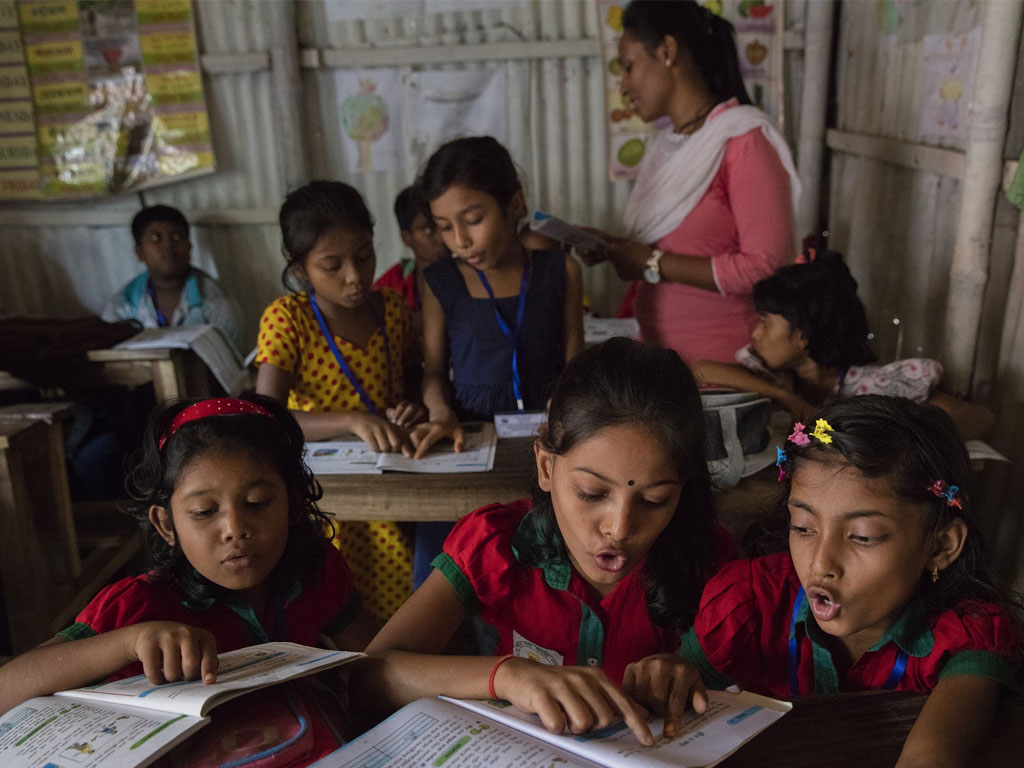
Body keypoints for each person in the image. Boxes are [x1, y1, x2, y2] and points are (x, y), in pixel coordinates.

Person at [353, 338, 737, 745]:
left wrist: (688, 668)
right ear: (546, 466)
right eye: (591, 493)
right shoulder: (499, 544)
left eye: (655, 500)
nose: (620, 528)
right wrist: (507, 675)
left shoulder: (707, 560)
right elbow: (368, 677)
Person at [0, 394, 377, 763]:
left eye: (258, 503)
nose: (234, 529)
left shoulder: (316, 571)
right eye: (203, 511)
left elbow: (376, 661)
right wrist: (129, 642)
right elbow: (7, 688)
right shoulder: (140, 605)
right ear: (166, 525)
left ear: (293, 504)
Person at [663, 396, 1021, 767]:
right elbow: (672, 695)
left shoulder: (967, 640)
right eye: (803, 527)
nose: (820, 563)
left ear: (941, 545)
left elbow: (930, 758)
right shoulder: (753, 604)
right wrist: (664, 676)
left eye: (863, 536)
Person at [403, 136, 585, 588]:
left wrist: (564, 414)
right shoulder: (439, 280)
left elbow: (576, 366)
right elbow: (432, 373)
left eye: (473, 219)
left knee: (538, 575)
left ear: (515, 203)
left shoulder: (559, 270)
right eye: (445, 227)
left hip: (548, 443)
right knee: (445, 569)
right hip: (469, 440)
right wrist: (441, 413)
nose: (460, 241)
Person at [586, 0, 799, 363]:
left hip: (725, 374)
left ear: (667, 51)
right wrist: (615, 248)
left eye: (629, 66)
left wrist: (652, 262)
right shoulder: (671, 147)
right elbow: (677, 248)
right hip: (663, 368)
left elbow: (765, 264)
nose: (623, 86)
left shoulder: (743, 141)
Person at [256, 180, 425, 623]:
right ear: (298, 269)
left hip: (394, 476)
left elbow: (412, 379)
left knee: (407, 597)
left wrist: (411, 406)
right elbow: (265, 415)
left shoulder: (391, 308)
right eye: (332, 265)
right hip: (330, 492)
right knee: (343, 607)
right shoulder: (288, 319)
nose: (355, 276)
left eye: (365, 256)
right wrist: (351, 419)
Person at [692, 248, 995, 439]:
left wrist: (892, 438)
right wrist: (788, 400)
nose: (756, 334)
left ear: (803, 336)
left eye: (766, 322)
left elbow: (980, 418)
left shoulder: (872, 386)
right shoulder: (778, 379)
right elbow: (701, 371)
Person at [102, 204, 245, 355]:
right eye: (155, 238)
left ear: (189, 246)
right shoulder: (122, 306)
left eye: (177, 237)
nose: (168, 245)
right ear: (139, 252)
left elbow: (233, 365)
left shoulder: (217, 301)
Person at [373, 184, 448, 318]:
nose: (442, 238)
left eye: (445, 226)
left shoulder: (471, 276)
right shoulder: (392, 283)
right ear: (406, 237)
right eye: (429, 229)